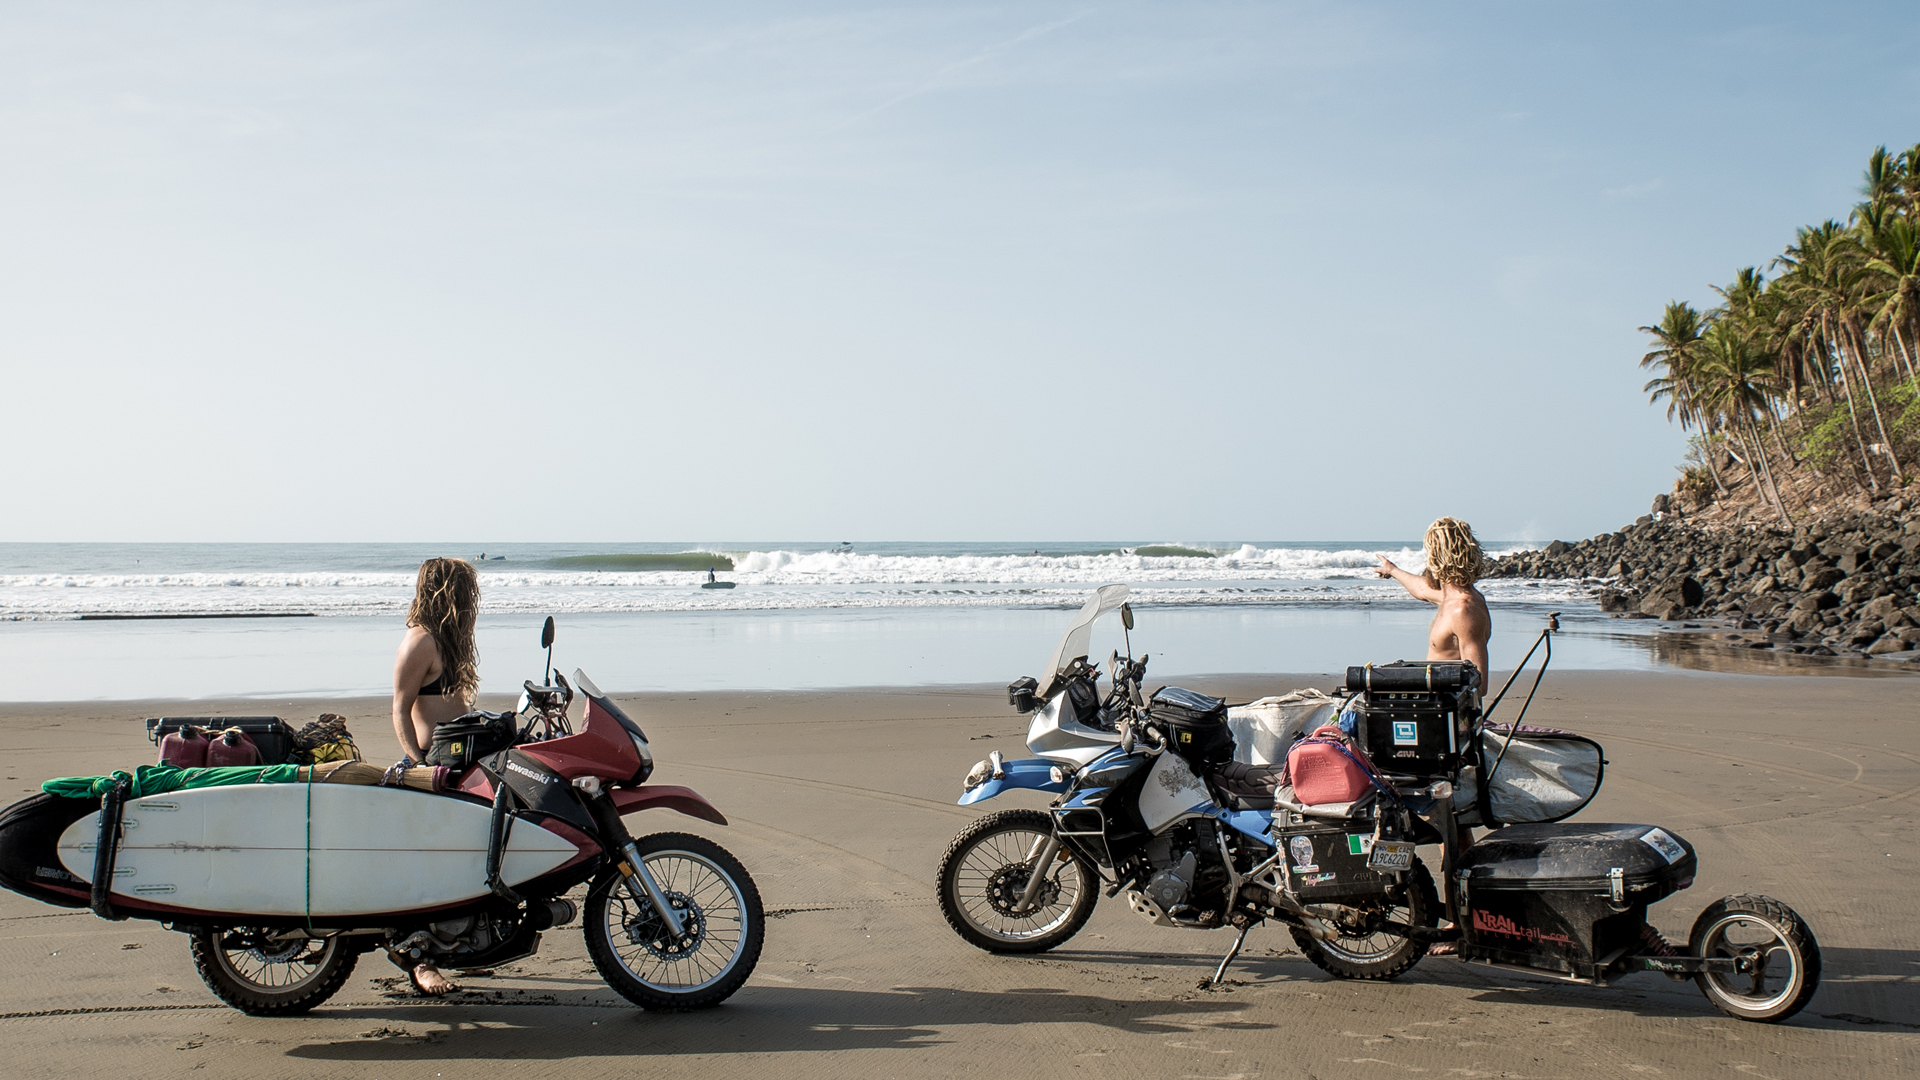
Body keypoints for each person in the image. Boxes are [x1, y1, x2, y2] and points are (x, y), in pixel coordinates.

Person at [389, 556, 481, 996]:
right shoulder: (421, 641)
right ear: (447, 592)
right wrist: (419, 764)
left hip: (458, 756)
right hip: (431, 762)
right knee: (433, 858)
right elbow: (399, 708)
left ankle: (470, 936)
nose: (472, 599)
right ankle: (419, 959)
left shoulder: (450, 640)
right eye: (466, 590)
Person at [1374, 516, 1491, 687]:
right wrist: (1392, 570)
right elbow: (1421, 589)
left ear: (1437, 558)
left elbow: (1478, 684)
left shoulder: (1463, 610)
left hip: (1446, 707)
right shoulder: (1450, 597)